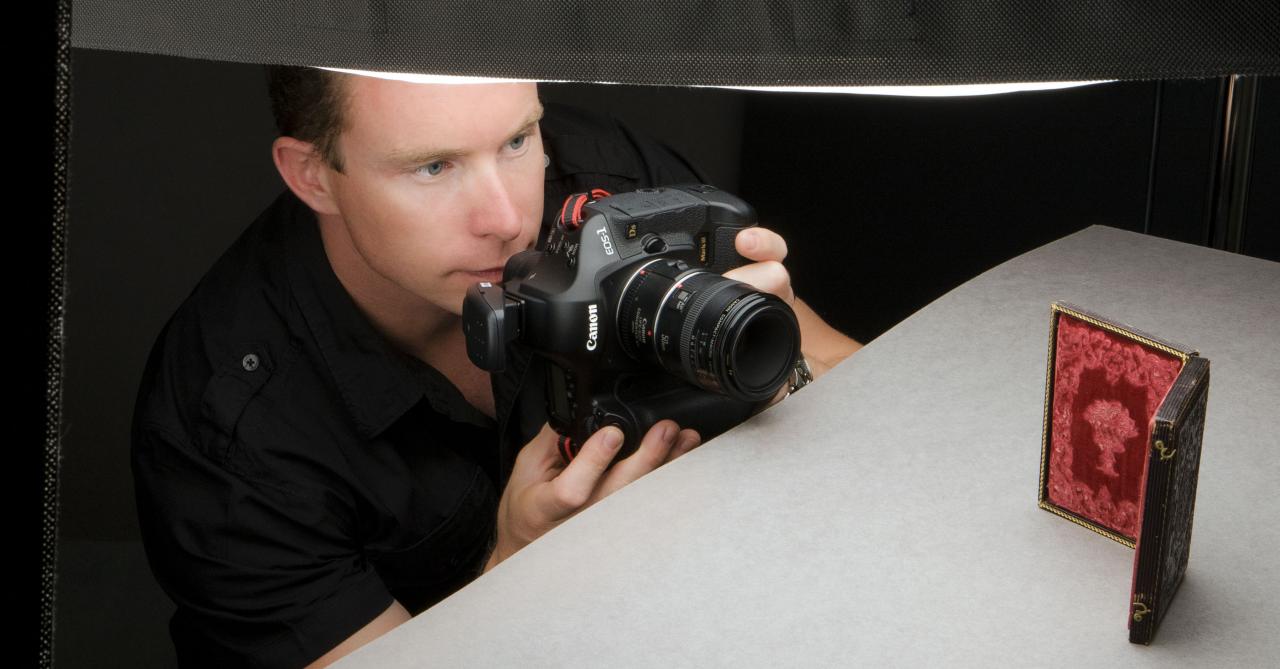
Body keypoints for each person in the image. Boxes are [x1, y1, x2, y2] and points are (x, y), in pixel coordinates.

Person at [131, 66, 861, 669]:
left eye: (516, 139)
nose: (506, 216)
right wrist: (516, 570)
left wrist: (779, 362)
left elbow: (852, 376)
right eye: (433, 166)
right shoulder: (227, 421)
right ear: (313, 175)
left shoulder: (606, 189)